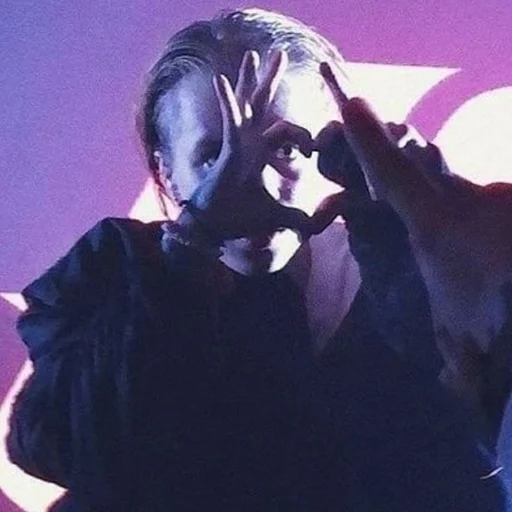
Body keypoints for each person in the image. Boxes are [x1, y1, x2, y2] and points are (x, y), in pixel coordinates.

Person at [6, 7, 512, 511]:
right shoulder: (115, 271)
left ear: (337, 144)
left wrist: (412, 227)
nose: (256, 182)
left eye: (285, 149)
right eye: (215, 155)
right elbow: (59, 447)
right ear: (166, 173)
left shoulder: (416, 260)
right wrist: (192, 245)